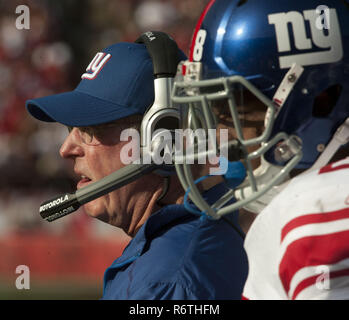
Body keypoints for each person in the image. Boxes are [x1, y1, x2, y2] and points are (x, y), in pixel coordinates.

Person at [25, 39, 248, 299]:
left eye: (89, 130)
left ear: (162, 138)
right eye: (70, 129)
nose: (66, 149)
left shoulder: (164, 284)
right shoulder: (186, 250)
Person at [171, 0, 349, 299]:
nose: (219, 137)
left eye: (232, 110)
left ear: (321, 99)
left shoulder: (315, 211)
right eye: (213, 111)